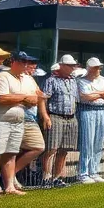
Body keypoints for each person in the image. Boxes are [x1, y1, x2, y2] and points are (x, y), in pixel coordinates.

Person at [0, 51, 41, 197]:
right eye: (22, 62)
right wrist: (23, 98)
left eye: (26, 62)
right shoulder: (3, 76)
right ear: (13, 62)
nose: (25, 65)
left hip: (18, 120)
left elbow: (35, 99)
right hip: (0, 120)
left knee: (11, 154)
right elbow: (2, 99)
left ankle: (9, 186)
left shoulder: (26, 78)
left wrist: (18, 98)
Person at [41, 56, 80, 187]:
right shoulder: (51, 80)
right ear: (62, 66)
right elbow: (43, 99)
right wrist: (45, 117)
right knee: (52, 148)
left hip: (71, 117)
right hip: (55, 116)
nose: (72, 68)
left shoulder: (73, 81)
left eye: (73, 65)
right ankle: (46, 177)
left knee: (64, 150)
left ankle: (57, 178)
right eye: (70, 65)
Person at [76, 57, 104, 183]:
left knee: (99, 142)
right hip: (87, 110)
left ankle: (94, 171)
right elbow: (85, 97)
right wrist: (102, 93)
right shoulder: (81, 81)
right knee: (87, 142)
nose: (98, 69)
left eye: (99, 67)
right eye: (96, 67)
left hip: (103, 110)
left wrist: (97, 94)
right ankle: (83, 172)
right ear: (89, 68)